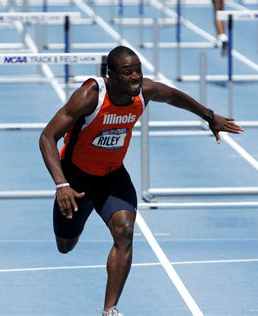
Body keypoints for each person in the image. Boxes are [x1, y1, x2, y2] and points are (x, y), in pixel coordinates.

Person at [39, 46, 243, 315]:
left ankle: (109, 310)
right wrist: (61, 185)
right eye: (127, 72)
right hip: (76, 179)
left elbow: (173, 97)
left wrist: (209, 117)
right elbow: (46, 137)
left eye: (138, 70)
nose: (135, 76)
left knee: (125, 231)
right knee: (65, 245)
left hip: (111, 176)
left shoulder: (143, 92)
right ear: (110, 75)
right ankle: (80, 212)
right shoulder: (90, 97)